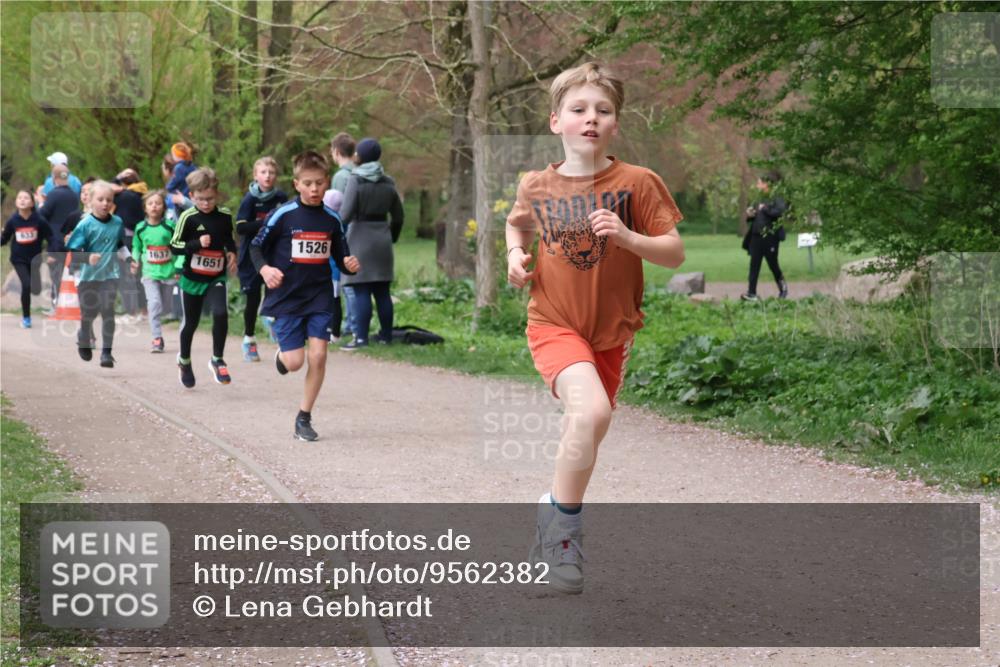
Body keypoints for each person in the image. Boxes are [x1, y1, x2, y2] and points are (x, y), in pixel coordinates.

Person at [505, 62, 685, 594]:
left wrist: (628, 238)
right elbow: (517, 223)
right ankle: (563, 543)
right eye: (579, 110)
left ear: (615, 124)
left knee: (587, 430)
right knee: (591, 412)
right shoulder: (537, 184)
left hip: (612, 333)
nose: (591, 119)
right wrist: (516, 255)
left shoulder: (637, 183)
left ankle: (552, 513)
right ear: (556, 120)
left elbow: (673, 254)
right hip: (554, 323)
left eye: (603, 111)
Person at [251, 151, 359, 441]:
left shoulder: (332, 219)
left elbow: (341, 253)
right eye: (308, 183)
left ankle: (304, 417)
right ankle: (283, 355)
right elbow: (255, 246)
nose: (314, 189)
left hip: (319, 295)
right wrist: (264, 270)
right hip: (286, 296)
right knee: (295, 362)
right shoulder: (283, 215)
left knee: (320, 355)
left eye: (320, 183)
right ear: (297, 184)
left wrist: (349, 262)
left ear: (327, 183)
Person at [169, 167, 237, 388]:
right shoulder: (187, 217)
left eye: (209, 199)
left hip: (216, 275)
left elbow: (229, 239)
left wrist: (232, 253)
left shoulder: (225, 216)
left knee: (220, 313)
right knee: (191, 322)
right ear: (191, 196)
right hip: (192, 277)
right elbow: (174, 246)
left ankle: (217, 359)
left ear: (216, 194)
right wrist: (197, 244)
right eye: (200, 199)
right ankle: (184, 361)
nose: (205, 203)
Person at [338, 138, 404, 350]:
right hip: (382, 238)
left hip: (360, 238)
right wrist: (391, 236)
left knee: (360, 290)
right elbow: (399, 216)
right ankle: (385, 337)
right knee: (382, 291)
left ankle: (361, 338)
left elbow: (345, 214)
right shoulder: (388, 182)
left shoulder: (355, 180)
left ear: (360, 156)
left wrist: (336, 235)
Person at [64, 181, 127, 368]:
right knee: (89, 313)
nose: (105, 203)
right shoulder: (84, 224)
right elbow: (73, 251)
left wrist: (130, 260)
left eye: (109, 200)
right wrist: (87, 258)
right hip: (87, 276)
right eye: (100, 199)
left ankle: (107, 353)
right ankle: (84, 336)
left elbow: (119, 244)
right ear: (90, 201)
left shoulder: (117, 222)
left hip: (110, 274)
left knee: (108, 310)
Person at [235, 156, 288, 361]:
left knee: (275, 290)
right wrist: (266, 223)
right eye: (263, 172)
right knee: (253, 297)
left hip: (273, 253)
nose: (267, 176)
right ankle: (249, 339)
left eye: (271, 172)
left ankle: (271, 318)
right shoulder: (249, 199)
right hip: (251, 256)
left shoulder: (281, 197)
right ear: (256, 175)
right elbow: (240, 227)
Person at [1, 189, 55, 328]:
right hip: (18, 259)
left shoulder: (39, 220)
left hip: (35, 258)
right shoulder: (13, 220)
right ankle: (26, 318)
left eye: (26, 198)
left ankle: (32, 289)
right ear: (16, 202)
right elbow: (5, 238)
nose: (23, 200)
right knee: (26, 285)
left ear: (32, 202)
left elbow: (51, 237)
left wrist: (52, 252)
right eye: (20, 198)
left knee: (35, 289)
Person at [131, 190, 175, 353]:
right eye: (150, 203)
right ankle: (157, 338)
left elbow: (177, 247)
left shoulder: (169, 227)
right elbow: (136, 246)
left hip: (169, 272)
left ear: (163, 207)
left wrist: (179, 265)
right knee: (154, 303)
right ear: (145, 208)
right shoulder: (140, 228)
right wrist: (134, 260)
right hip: (150, 273)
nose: (154, 206)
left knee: (166, 307)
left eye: (158, 203)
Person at [741, 171, 788, 301]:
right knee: (754, 265)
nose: (757, 184)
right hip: (756, 237)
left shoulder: (777, 197)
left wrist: (765, 209)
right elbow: (755, 214)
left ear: (767, 184)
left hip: (770, 237)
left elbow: (779, 212)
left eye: (759, 182)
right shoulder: (758, 198)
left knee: (773, 265)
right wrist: (750, 215)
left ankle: (783, 289)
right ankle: (751, 293)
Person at [328, 132, 358, 337]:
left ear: (336, 152)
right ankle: (353, 323)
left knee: (344, 280)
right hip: (360, 229)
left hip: (345, 231)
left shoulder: (340, 177)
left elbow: (337, 207)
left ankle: (349, 325)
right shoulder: (358, 172)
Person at [37, 166, 78, 307]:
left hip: (55, 240)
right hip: (70, 239)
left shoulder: (54, 194)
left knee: (55, 273)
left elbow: (42, 215)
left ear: (53, 178)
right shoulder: (74, 195)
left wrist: (41, 203)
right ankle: (69, 303)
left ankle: (56, 303)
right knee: (68, 273)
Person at [113, 168, 149, 318]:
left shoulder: (124, 196)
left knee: (125, 276)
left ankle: (131, 310)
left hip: (125, 238)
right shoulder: (143, 194)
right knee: (139, 274)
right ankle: (144, 309)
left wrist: (116, 177)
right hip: (140, 238)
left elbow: (107, 188)